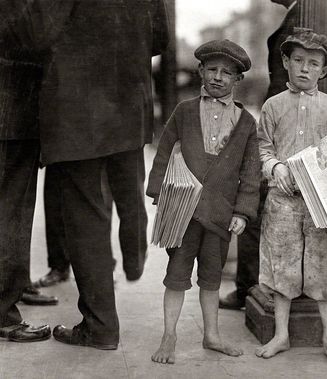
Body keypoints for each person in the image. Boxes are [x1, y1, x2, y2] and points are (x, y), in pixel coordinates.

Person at [29, 0, 169, 350]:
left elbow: (38, 33)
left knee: (86, 217)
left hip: (78, 109)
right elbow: (160, 39)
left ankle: (100, 327)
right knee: (129, 185)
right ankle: (134, 254)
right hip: (129, 104)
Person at [220, 0, 327, 310]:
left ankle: (251, 289)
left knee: (256, 203)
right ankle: (261, 287)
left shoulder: (307, 15)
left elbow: (314, 80)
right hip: (297, 139)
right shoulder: (324, 18)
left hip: (302, 145)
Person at [146, 39, 260, 364]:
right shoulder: (184, 111)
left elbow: (251, 173)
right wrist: (159, 192)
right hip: (183, 211)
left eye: (227, 72)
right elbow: (165, 149)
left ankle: (212, 335)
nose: (218, 77)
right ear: (200, 71)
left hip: (221, 214)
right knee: (176, 275)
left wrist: (243, 212)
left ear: (238, 79)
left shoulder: (247, 124)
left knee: (211, 278)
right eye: (212, 69)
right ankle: (169, 335)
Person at [255, 29, 327, 365]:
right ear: (285, 62)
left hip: (324, 204)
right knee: (282, 267)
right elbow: (262, 147)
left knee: (325, 269)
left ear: (324, 70)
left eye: (313, 63)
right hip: (283, 202)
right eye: (298, 60)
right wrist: (274, 167)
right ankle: (281, 335)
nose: (304, 69)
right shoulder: (273, 106)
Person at [0, 0, 63, 342]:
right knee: (12, 213)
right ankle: (4, 312)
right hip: (13, 115)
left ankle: (14, 287)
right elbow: (38, 37)